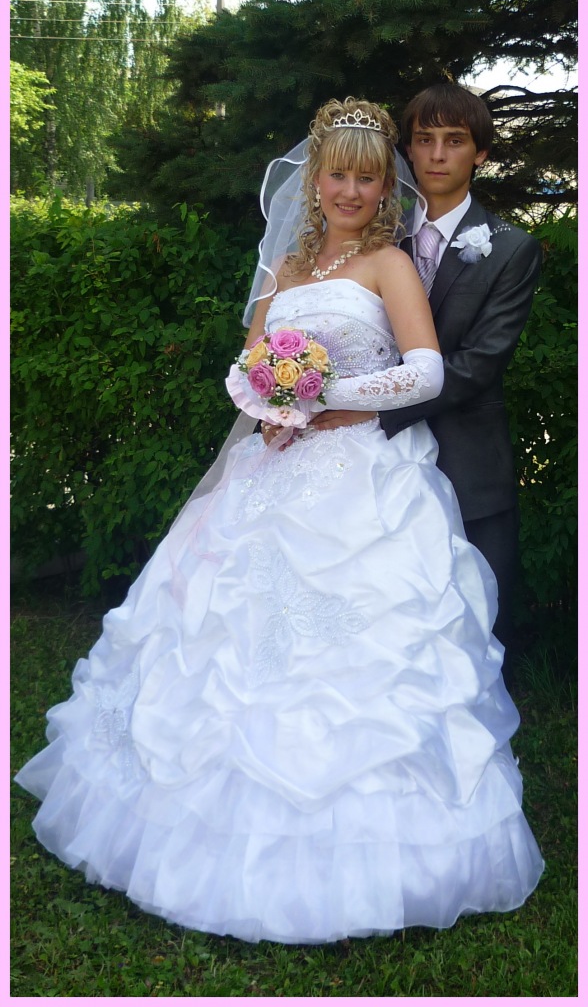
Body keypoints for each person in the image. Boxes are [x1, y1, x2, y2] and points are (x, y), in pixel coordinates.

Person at [15, 96, 543, 946]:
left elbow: (425, 372)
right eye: (337, 176)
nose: (350, 191)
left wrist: (325, 397)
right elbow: (247, 365)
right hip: (273, 472)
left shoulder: (390, 263)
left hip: (362, 476)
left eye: (366, 179)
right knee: (222, 636)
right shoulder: (286, 269)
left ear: (385, 188)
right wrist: (269, 400)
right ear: (314, 181)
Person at [314, 84, 543, 690]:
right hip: (366, 465)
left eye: (455, 141)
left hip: (464, 456)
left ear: (480, 153)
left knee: (471, 621)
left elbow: (479, 362)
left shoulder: (511, 249)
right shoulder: (372, 234)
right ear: (407, 151)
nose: (438, 154)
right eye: (424, 139)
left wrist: (371, 411)